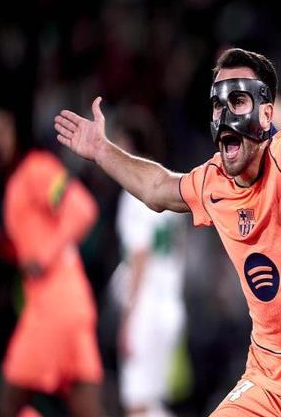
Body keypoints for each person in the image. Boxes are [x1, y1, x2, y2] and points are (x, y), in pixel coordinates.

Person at [54, 16, 281, 416]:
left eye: (238, 101)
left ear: (266, 114)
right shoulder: (213, 182)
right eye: (218, 104)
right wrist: (103, 151)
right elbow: (156, 188)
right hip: (269, 378)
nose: (225, 114)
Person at [0, 135, 104, 416]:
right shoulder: (18, 180)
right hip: (73, 303)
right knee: (88, 409)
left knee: (9, 405)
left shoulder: (36, 168)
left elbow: (82, 208)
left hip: (53, 306)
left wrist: (44, 256)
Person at [110, 111, 187, 417]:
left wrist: (129, 317)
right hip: (171, 306)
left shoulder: (134, 194)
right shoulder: (167, 188)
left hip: (146, 308)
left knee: (137, 406)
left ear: (128, 145)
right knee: (152, 404)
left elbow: (140, 255)